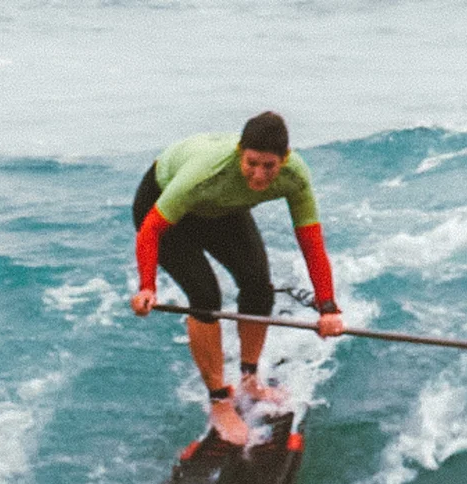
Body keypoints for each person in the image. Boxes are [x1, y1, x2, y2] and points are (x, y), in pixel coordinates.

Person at [130, 111, 345, 445]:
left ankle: (249, 380)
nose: (259, 175)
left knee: (258, 285)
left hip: (220, 209)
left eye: (269, 166)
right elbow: (150, 230)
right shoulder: (206, 172)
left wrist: (328, 307)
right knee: (205, 296)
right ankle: (219, 402)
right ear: (239, 153)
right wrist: (147, 286)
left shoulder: (296, 177)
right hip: (162, 210)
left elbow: (311, 243)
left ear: (284, 159)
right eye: (251, 163)